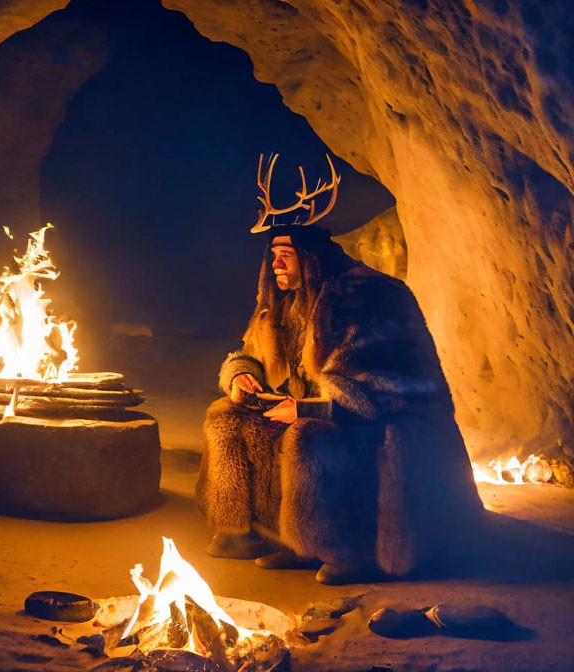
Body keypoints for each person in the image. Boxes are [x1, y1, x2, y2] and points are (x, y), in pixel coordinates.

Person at [196, 154, 484, 584]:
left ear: (310, 259)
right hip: (315, 407)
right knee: (229, 415)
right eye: (272, 254)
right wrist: (242, 375)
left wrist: (308, 411)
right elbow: (250, 350)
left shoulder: (365, 296)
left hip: (387, 426)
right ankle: (260, 532)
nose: (276, 264)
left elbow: (385, 395)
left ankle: (341, 549)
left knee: (308, 436)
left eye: (285, 254)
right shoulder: (284, 302)